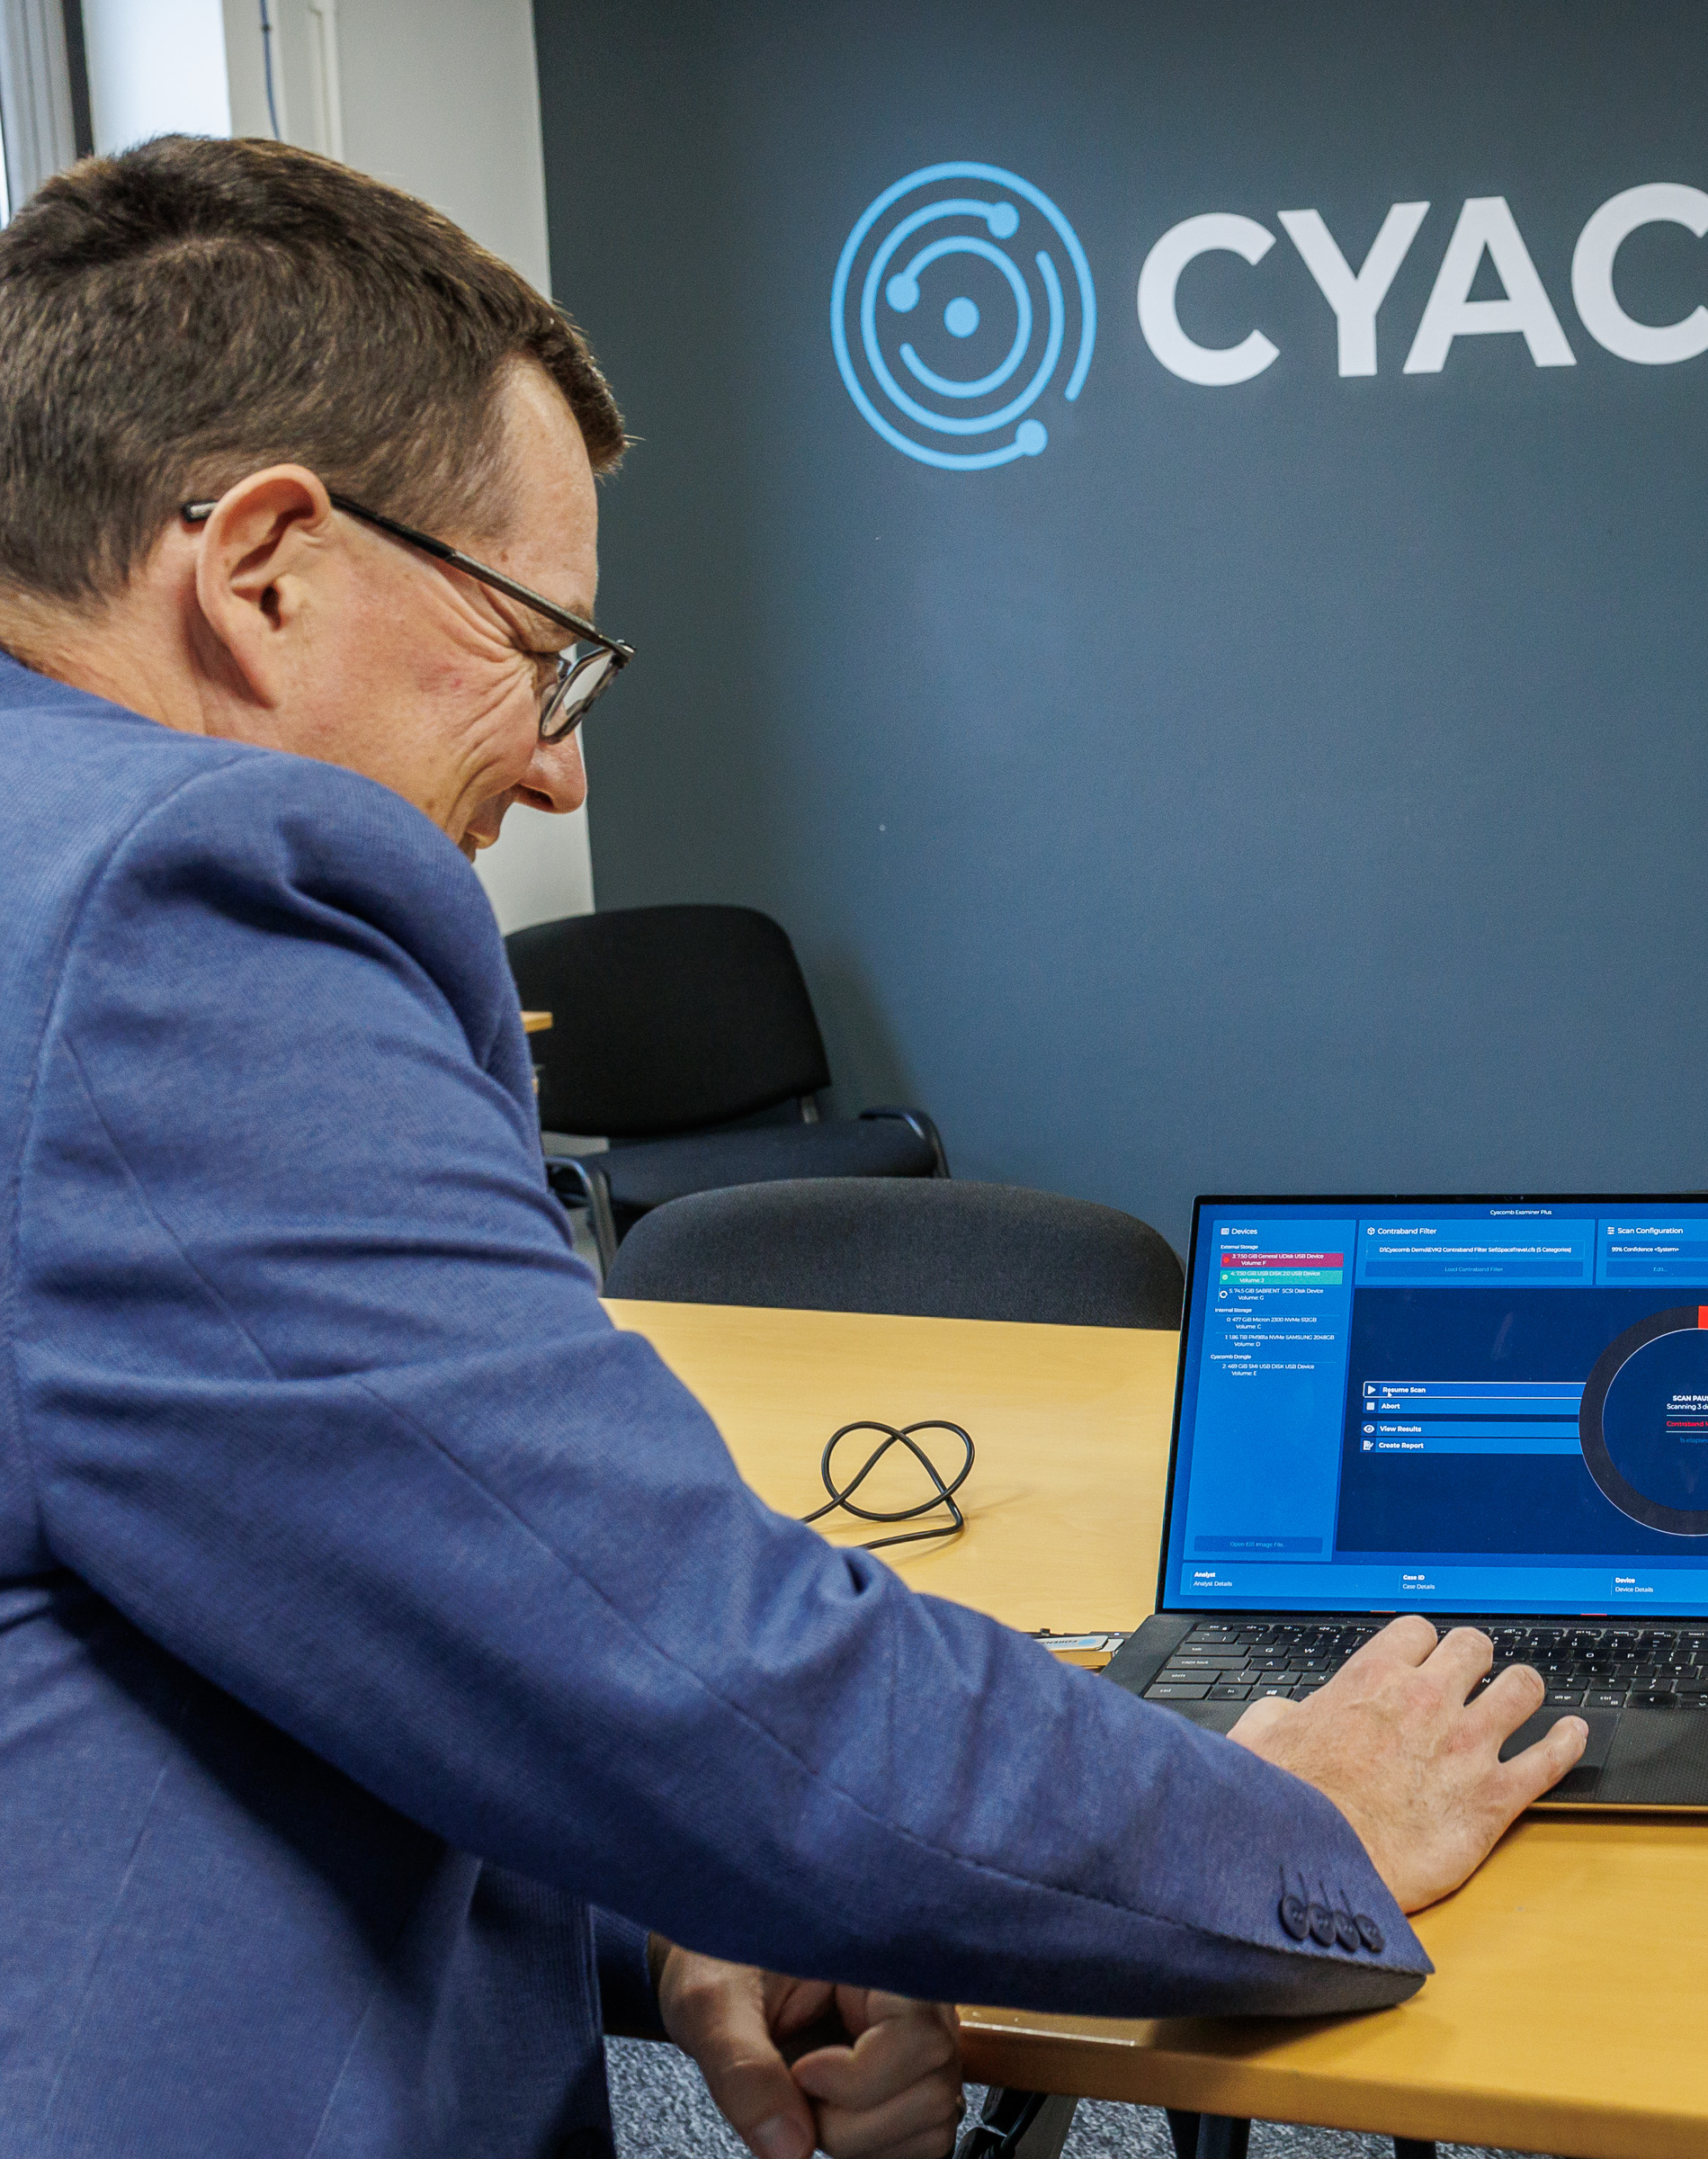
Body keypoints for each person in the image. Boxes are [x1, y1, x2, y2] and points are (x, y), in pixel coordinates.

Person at [0, 137, 1585, 2159]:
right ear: (265, 570)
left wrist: (696, 1905)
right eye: (537, 642)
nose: (560, 763)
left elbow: (239, 1641)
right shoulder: (178, 902)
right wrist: (1296, 1822)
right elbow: (676, 1659)